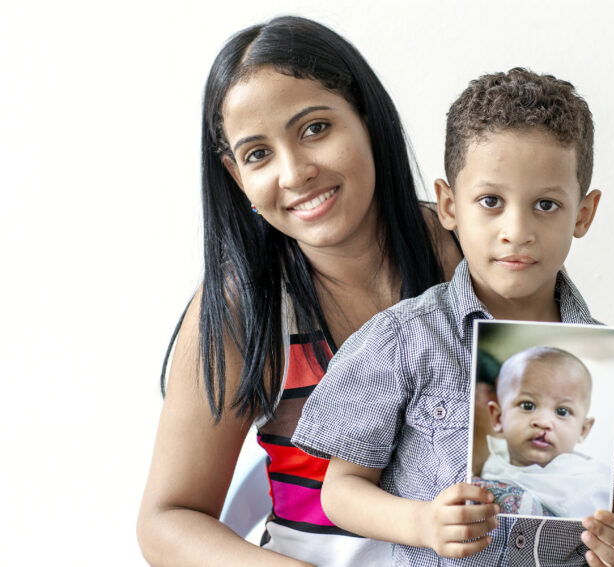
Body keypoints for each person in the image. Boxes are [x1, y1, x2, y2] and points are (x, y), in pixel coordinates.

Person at [292, 67, 614, 566]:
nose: (517, 231)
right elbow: (339, 492)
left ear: (583, 213)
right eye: (491, 202)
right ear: (450, 205)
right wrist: (422, 522)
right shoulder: (404, 339)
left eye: (546, 204)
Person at [136, 16, 461, 567]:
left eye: (314, 128)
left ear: (365, 115)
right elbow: (166, 522)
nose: (295, 172)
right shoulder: (247, 306)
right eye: (258, 154)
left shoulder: (466, 259)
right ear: (237, 178)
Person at [476, 346, 611, 519]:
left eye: (562, 412)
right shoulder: (491, 465)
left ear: (583, 430)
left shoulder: (589, 484)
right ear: (498, 418)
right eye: (528, 406)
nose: (544, 422)